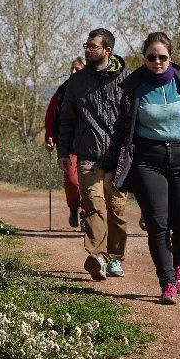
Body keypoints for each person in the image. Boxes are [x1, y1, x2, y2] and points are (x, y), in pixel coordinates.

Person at [107, 32, 180, 305]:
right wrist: (111, 167)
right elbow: (121, 131)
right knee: (157, 224)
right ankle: (167, 282)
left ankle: (177, 263)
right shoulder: (132, 88)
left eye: (162, 57)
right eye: (151, 57)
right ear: (144, 59)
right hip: (148, 161)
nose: (157, 61)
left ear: (171, 57)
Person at [56, 28, 129, 281]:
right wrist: (63, 151)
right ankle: (97, 256)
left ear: (107, 50)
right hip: (87, 155)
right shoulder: (76, 82)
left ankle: (116, 257)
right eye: (86, 45)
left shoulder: (126, 80)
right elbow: (66, 120)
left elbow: (134, 119)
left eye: (93, 46)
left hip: (117, 158)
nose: (87, 49)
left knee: (116, 209)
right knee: (94, 205)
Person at [45, 56, 86, 228]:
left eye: (77, 69)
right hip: (68, 144)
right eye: (72, 69)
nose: (73, 72)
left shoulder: (92, 90)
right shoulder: (61, 93)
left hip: (90, 143)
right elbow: (51, 116)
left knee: (89, 182)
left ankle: (86, 215)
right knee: (72, 180)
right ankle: (73, 207)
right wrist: (50, 137)